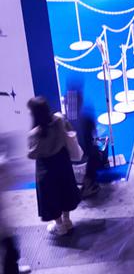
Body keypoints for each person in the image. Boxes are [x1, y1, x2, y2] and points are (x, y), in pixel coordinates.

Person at [26, 97, 80, 236]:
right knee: (65, 190)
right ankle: (67, 220)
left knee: (52, 195)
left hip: (46, 167)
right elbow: (70, 132)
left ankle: (59, 226)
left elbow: (31, 154)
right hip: (62, 161)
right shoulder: (59, 120)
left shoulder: (35, 133)